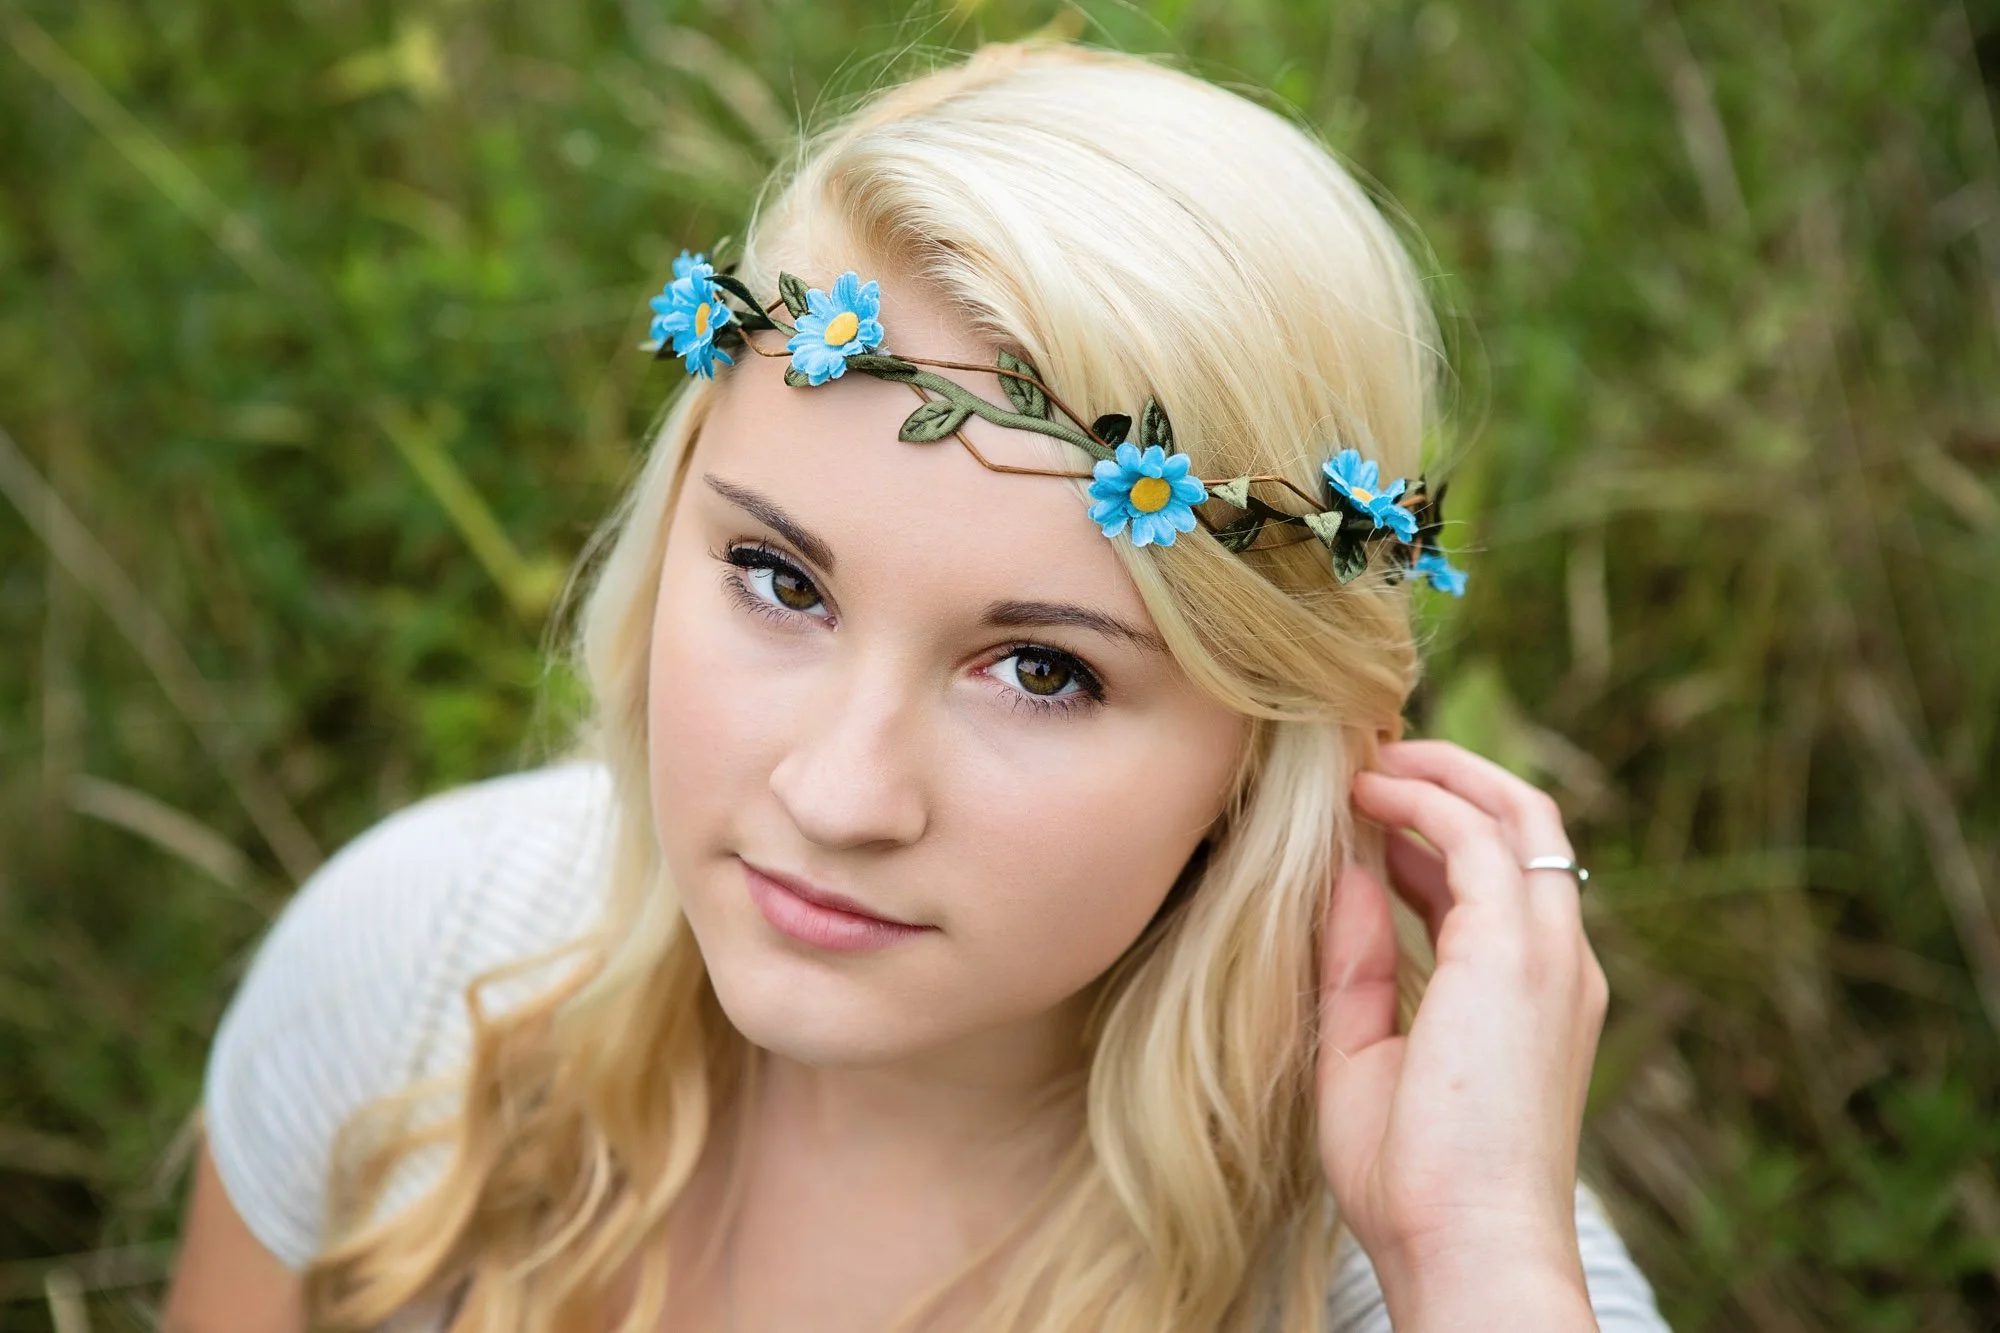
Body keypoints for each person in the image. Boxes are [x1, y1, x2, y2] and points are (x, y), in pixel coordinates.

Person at [162, 40, 1671, 1333]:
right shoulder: (414, 985)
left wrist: (1478, 1264)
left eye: (1040, 670)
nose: (837, 794)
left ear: (1271, 745)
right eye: (780, 582)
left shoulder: (1426, 1276)